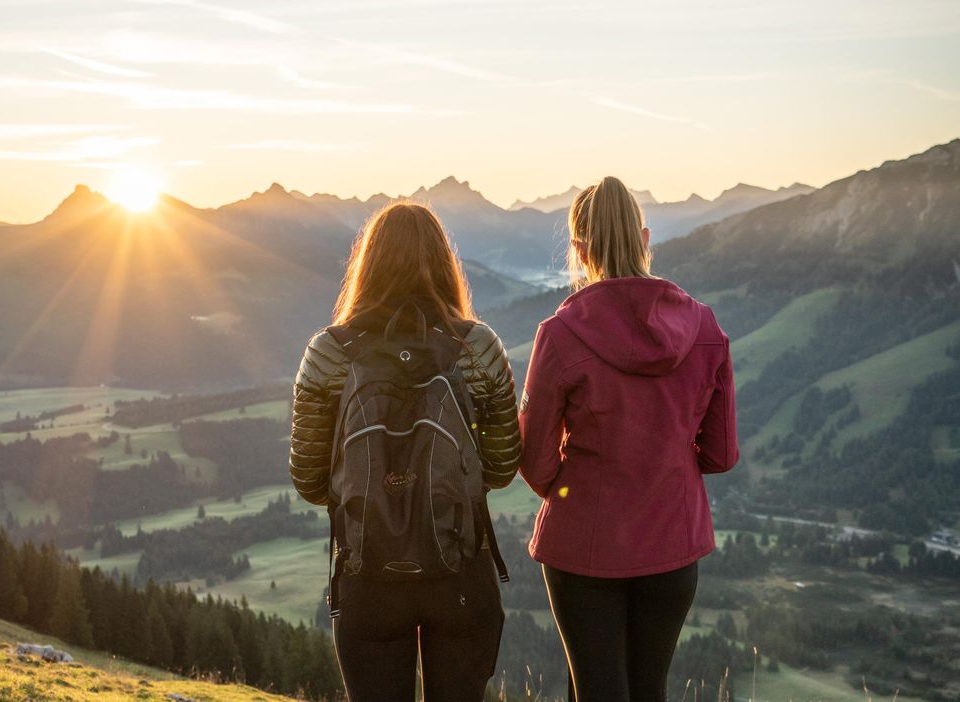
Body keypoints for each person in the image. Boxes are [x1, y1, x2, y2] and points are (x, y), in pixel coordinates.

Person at [289, 202, 522, 702]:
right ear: (444, 263)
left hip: (367, 575)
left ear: (367, 264)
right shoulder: (478, 347)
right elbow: (503, 467)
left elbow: (309, 480)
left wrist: (380, 494)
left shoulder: (328, 352)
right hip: (460, 570)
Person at [518, 177, 739, 702]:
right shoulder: (705, 328)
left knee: (595, 690)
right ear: (644, 239)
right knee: (648, 689)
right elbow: (720, 453)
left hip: (583, 547)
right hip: (673, 544)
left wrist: (572, 489)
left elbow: (535, 461)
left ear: (580, 250)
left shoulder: (560, 334)